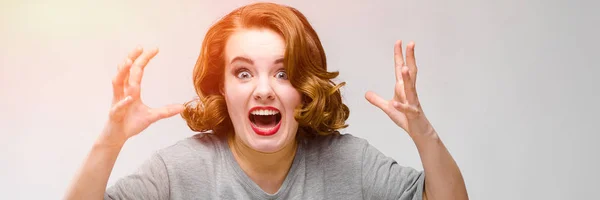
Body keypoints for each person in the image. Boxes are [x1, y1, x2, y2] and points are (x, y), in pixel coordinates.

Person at [64, 2, 468, 200]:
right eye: (243, 72)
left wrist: (424, 133)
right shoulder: (179, 171)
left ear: (305, 86)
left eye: (283, 72)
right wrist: (110, 141)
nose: (263, 89)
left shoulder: (351, 163)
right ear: (221, 87)